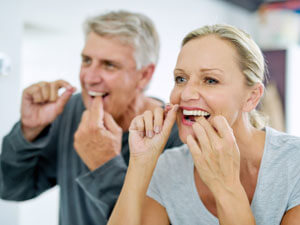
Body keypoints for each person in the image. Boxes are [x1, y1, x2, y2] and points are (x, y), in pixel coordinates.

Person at [0, 10, 182, 225]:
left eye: (109, 65)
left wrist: (104, 166)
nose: (89, 77)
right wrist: (28, 132)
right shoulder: (72, 111)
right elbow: (10, 189)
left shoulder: (175, 136)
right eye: (87, 60)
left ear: (144, 75)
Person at [107, 24, 300, 225]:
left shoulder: (295, 163)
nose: (186, 94)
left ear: (252, 97)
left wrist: (225, 186)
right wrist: (141, 164)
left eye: (210, 80)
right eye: (180, 79)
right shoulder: (168, 168)